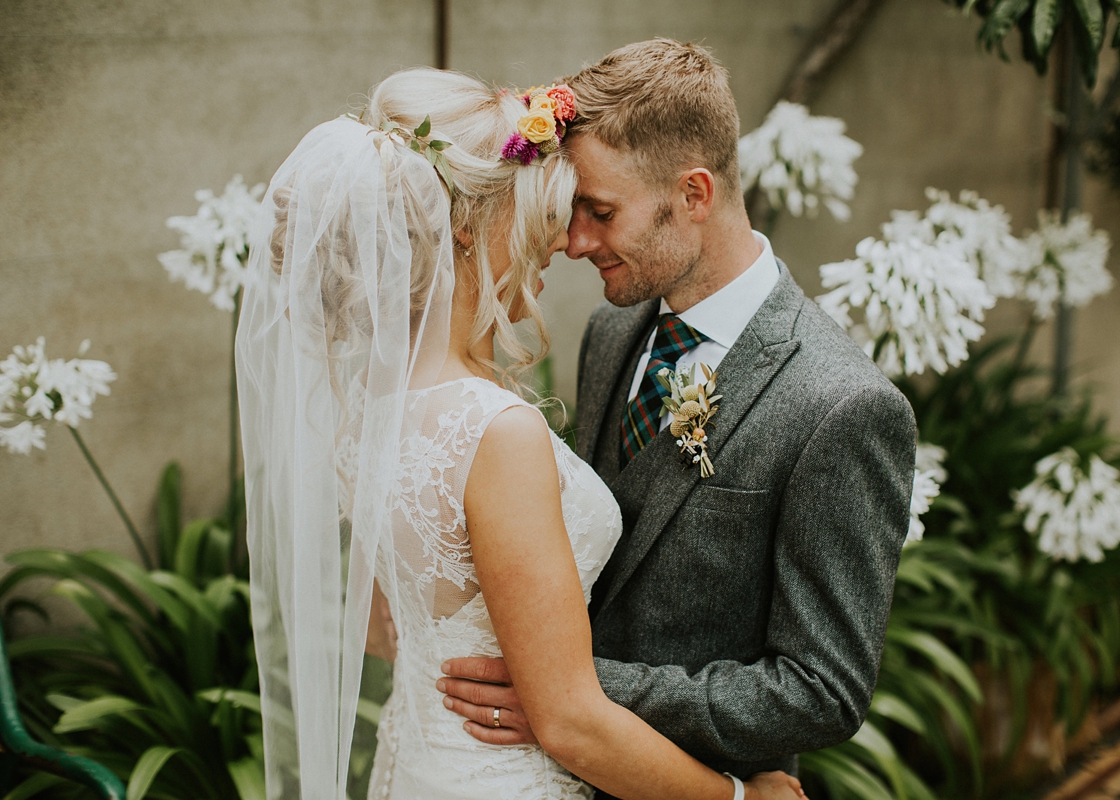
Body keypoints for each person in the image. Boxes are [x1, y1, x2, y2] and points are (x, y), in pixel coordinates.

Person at [237, 67, 804, 800]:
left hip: (416, 763)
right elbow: (568, 721)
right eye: (537, 211)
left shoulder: (365, 408)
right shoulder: (493, 431)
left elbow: (387, 631)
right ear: (467, 227)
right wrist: (739, 798)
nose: (560, 240)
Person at [437, 39, 917, 792]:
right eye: (572, 213)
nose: (572, 243)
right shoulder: (611, 333)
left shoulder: (843, 408)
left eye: (599, 212)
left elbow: (821, 690)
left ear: (694, 195)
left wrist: (577, 696)